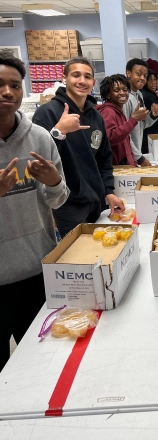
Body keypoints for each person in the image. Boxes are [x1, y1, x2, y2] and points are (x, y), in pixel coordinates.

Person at [0, 53, 69, 371]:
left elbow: (57, 200)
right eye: (0, 84)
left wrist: (55, 182)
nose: (7, 92)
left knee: (43, 362)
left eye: (15, 85)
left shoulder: (39, 139)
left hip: (38, 272)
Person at [33, 56, 124, 238]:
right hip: (68, 202)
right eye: (76, 75)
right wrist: (58, 132)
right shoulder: (47, 113)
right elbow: (38, 162)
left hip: (96, 200)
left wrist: (108, 192)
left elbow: (103, 160)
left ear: (93, 82)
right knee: (79, 255)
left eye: (87, 76)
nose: (82, 81)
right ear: (64, 78)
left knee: (99, 247)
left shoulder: (96, 116)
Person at [96, 74, 151, 167]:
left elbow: (126, 140)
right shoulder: (108, 111)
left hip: (126, 167)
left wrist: (133, 163)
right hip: (116, 169)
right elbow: (111, 137)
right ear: (108, 95)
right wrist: (134, 119)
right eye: (116, 90)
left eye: (125, 90)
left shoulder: (119, 111)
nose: (122, 93)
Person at [123, 58, 158, 157]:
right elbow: (124, 133)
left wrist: (152, 116)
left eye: (145, 75)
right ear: (128, 73)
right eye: (138, 74)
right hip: (128, 155)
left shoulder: (138, 94)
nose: (143, 78)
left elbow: (141, 125)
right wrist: (138, 157)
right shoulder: (125, 99)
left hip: (136, 151)